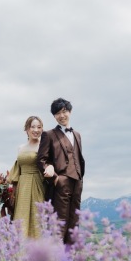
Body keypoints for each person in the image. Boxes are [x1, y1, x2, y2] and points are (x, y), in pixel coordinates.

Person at [36, 98, 85, 245]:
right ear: (54, 116)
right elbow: (41, 160)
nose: (61, 116)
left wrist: (80, 177)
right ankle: (56, 259)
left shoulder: (77, 135)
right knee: (59, 221)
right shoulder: (49, 135)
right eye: (57, 113)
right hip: (60, 183)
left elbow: (77, 158)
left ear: (69, 112)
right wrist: (55, 177)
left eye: (64, 112)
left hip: (77, 182)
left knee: (74, 221)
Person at [9, 116, 46, 238]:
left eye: (39, 127)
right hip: (22, 186)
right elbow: (17, 169)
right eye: (33, 127)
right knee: (21, 217)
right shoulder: (20, 148)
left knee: (37, 218)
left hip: (38, 184)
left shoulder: (44, 146)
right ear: (27, 129)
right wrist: (10, 192)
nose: (36, 130)